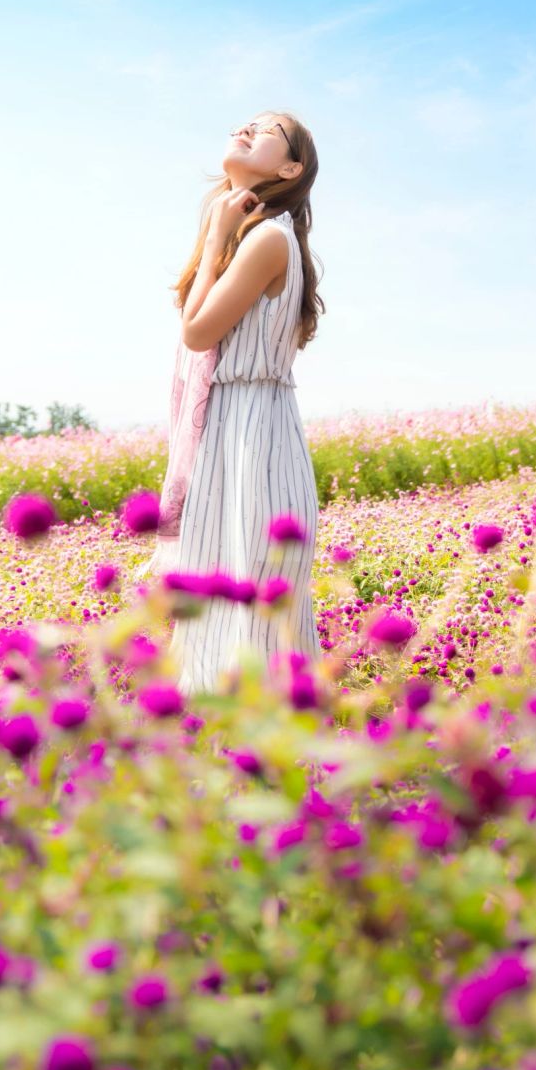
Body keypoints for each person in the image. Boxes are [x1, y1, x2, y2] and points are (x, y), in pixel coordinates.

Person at [142, 111, 325, 695]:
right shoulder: (263, 234)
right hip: (236, 428)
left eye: (265, 130)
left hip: (253, 436)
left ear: (291, 168)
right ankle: (225, 755)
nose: (245, 129)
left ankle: (273, 758)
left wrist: (219, 235)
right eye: (243, 122)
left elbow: (196, 332)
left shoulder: (268, 237)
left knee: (253, 603)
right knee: (225, 601)